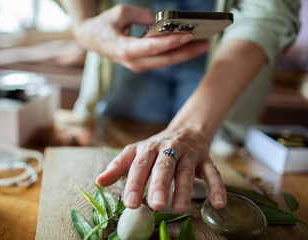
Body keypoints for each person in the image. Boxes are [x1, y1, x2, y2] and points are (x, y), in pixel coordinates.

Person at [61, 0, 301, 213]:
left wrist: (193, 129)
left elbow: (270, 9)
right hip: (126, 35)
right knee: (118, 147)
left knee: (219, 158)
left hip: (230, 52)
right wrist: (83, 25)